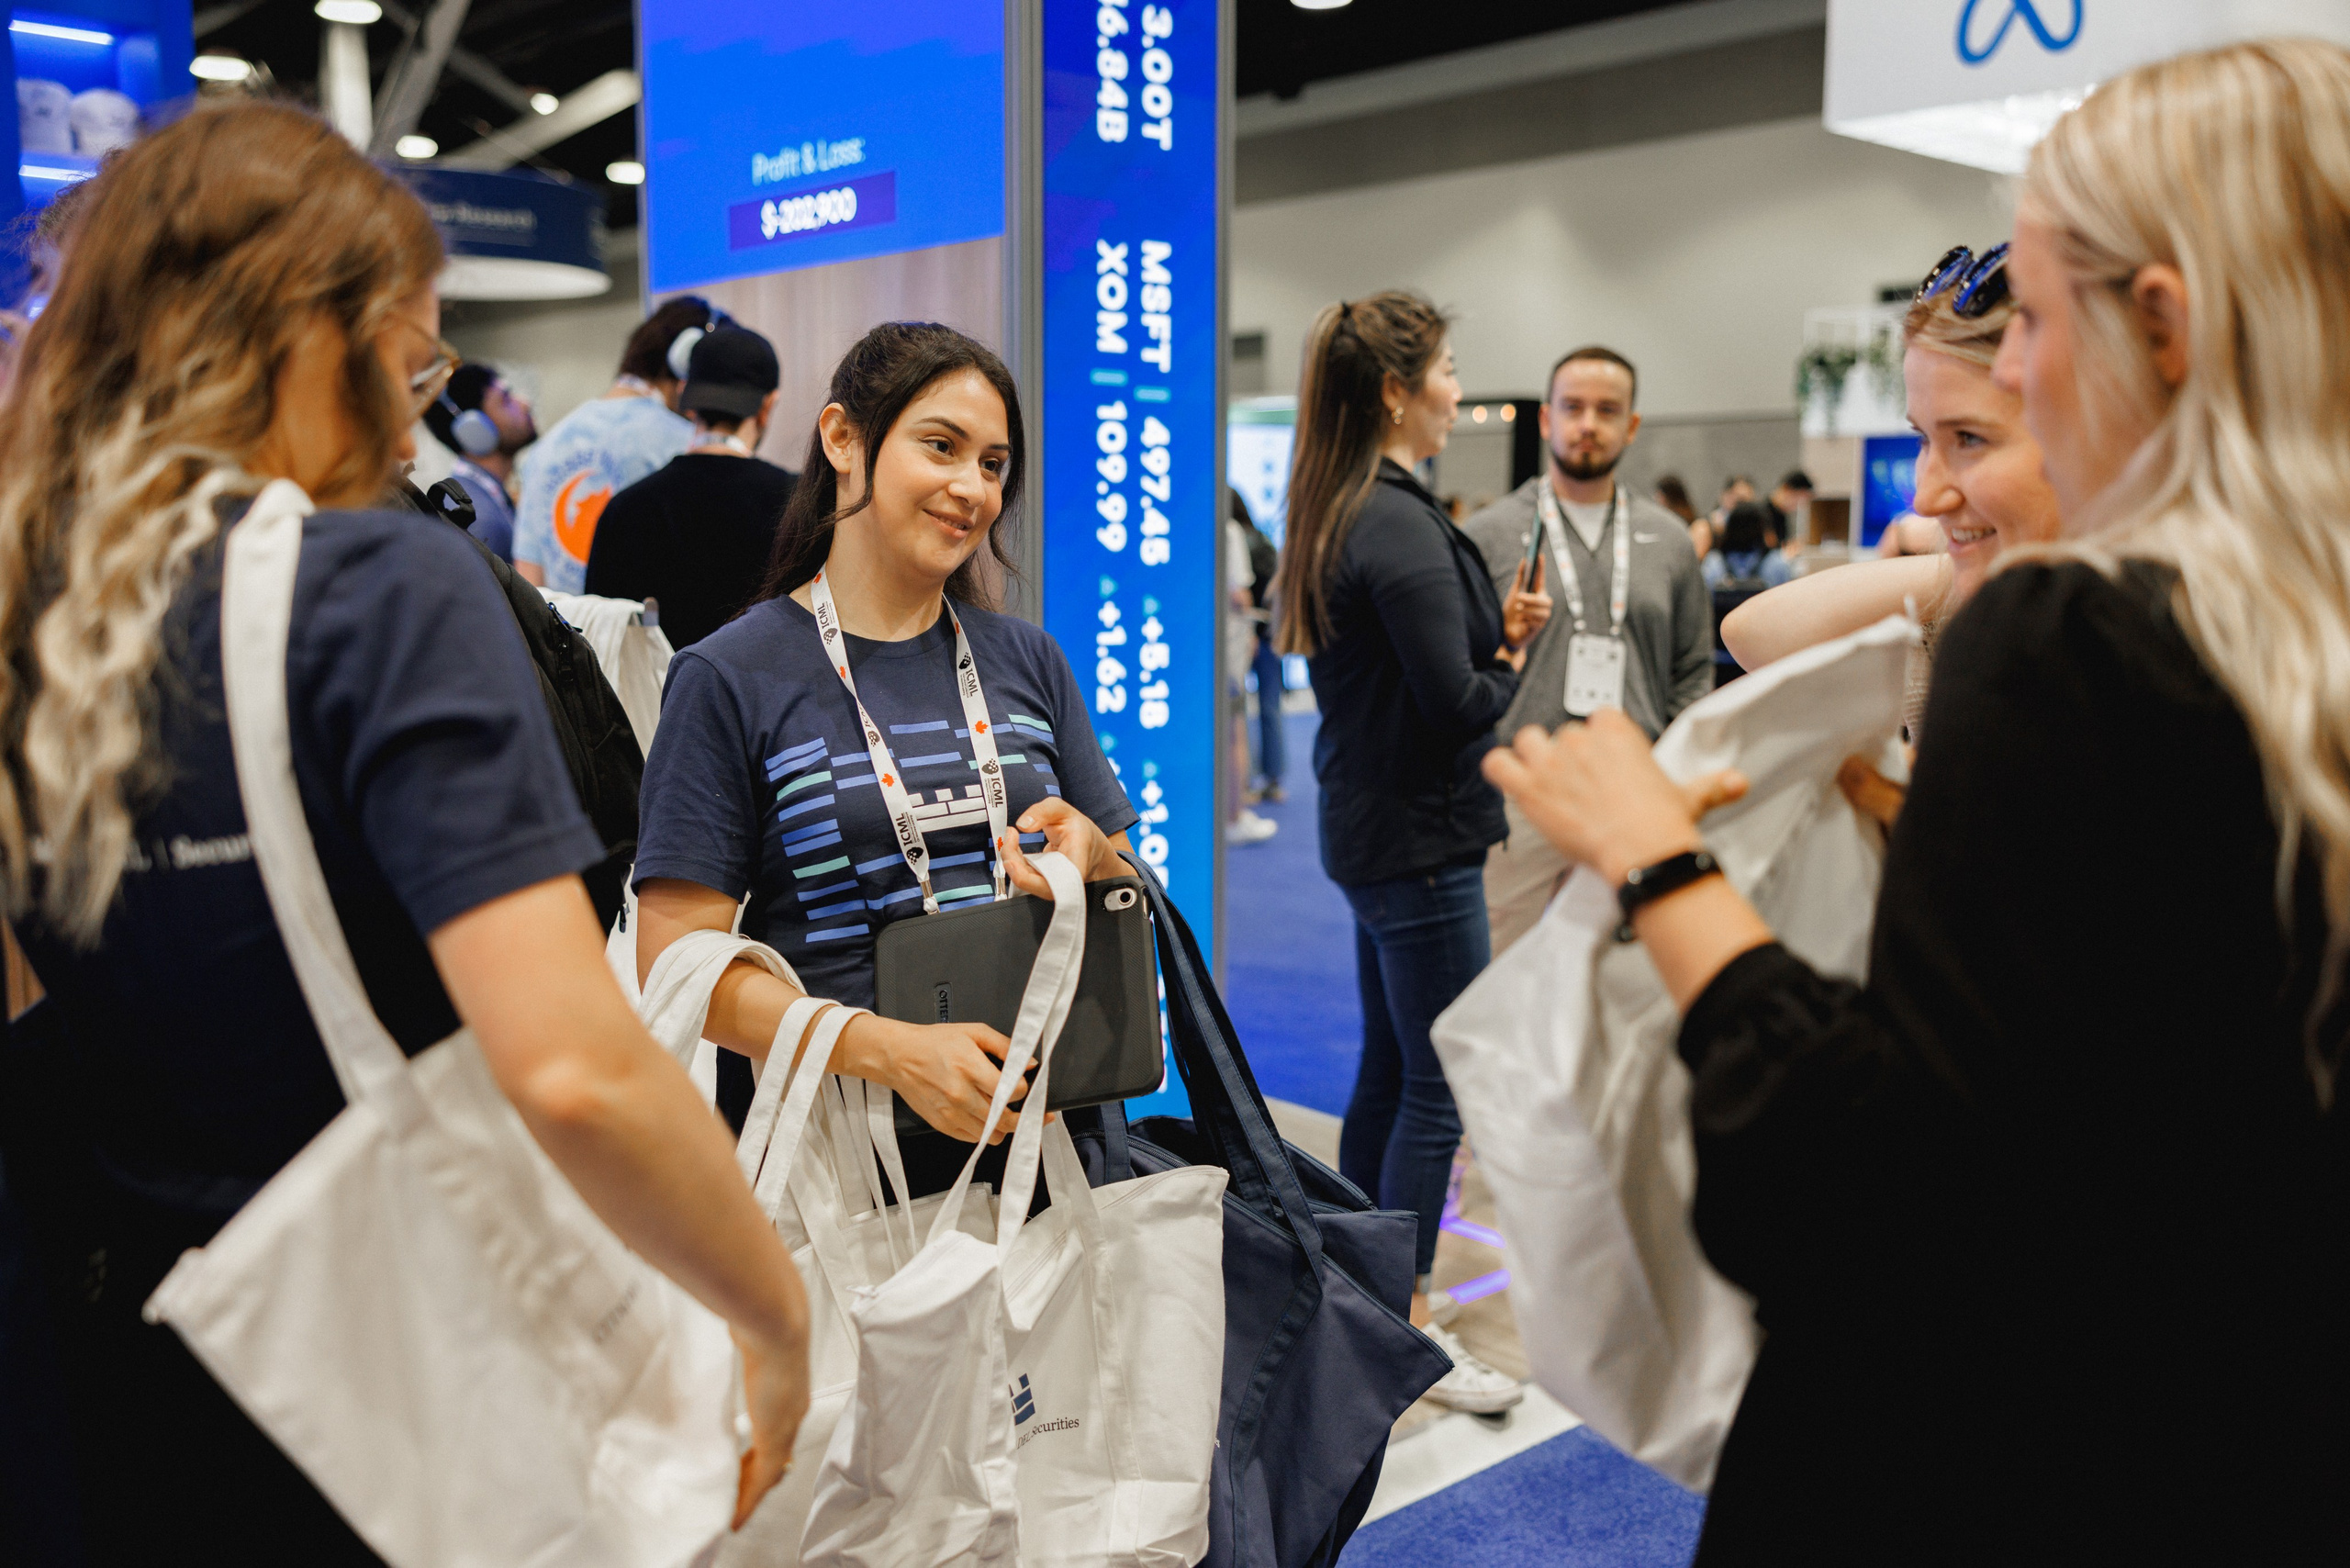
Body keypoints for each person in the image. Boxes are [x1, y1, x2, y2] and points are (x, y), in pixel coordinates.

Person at [1484, 39, 2350, 1560]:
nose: (2013, 366)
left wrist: (1659, 862)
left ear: (2162, 325)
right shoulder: (2289, 647)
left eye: (2037, 318)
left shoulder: (2082, 641)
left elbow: (1865, 1209)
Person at [0, 104, 808, 1564]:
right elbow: (572, 1071)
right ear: (308, 332)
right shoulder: (380, 586)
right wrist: (772, 1304)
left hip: (127, 1377)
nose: (414, 418)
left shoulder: (39, 620)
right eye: (412, 359)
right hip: (406, 1386)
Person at [630, 320, 1136, 1186]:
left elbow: (1125, 874)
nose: (971, 488)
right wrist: (894, 1054)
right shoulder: (729, 675)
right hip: (843, 1173)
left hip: (1053, 1152)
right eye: (940, 446)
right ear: (843, 439)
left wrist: (1094, 857)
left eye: (993, 463)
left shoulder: (1028, 659)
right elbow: (678, 968)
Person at [1270, 290, 1549, 1412]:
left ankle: (1364, 1284)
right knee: (1435, 1079)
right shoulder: (1388, 518)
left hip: (1375, 826)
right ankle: (1410, 1321)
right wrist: (1511, 666)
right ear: (1394, 390)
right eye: (1442, 371)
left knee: (1392, 1063)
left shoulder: (1350, 506)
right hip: (1419, 837)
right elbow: (1454, 704)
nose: (1453, 390)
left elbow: (1421, 671)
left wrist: (1494, 638)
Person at [1723, 241, 2059, 755]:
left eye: (1969, 439)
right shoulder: (1970, 622)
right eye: (1924, 440)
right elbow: (1753, 633)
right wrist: (1973, 561)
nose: (1926, 496)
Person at [1462, 346, 1713, 952]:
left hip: (1632, 791)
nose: (1588, 425)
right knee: (1497, 975)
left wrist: (1666, 771)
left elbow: (1692, 670)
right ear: (1547, 419)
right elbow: (1463, 667)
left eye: (1607, 410)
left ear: (1630, 426)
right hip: (1519, 796)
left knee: (1622, 977)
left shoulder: (1671, 541)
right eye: (1572, 408)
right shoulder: (1487, 535)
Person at [586, 323, 795, 651]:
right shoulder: (800, 504)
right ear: (768, 405)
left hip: (657, 701)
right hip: (771, 700)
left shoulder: (625, 510)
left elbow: (599, 642)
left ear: (687, 396)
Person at [509, 297, 709, 590]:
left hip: (563, 632)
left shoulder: (544, 449)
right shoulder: (685, 442)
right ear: (683, 367)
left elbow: (529, 581)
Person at [420, 362, 536, 562]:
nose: (524, 403)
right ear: (474, 429)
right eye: (506, 399)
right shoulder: (478, 519)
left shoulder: (480, 499)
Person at [1225, 510, 1278, 845]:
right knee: (1234, 733)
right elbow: (1239, 595)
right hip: (1227, 655)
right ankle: (1234, 814)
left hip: (1202, 656)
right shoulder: (1228, 530)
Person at [1233, 489, 1288, 804]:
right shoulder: (1264, 541)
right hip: (1269, 632)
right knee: (1270, 706)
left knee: (1237, 711)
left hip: (1245, 633)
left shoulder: (1233, 539)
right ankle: (1273, 778)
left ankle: (1242, 785)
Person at [1762, 468, 1812, 547]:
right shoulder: (1762, 513)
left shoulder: (1782, 515)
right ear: (1786, 488)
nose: (1798, 506)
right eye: (1797, 499)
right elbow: (1770, 547)